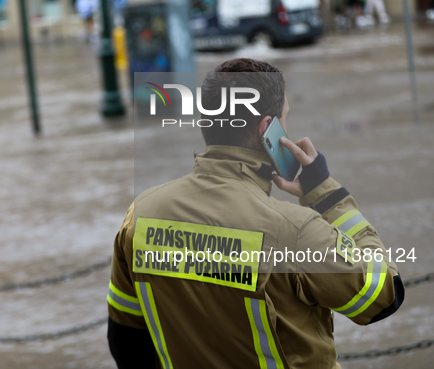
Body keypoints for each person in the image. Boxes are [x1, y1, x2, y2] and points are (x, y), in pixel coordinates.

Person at [107, 58, 405, 368]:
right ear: (268, 129)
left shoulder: (140, 215)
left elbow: (126, 342)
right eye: (284, 119)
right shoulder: (295, 231)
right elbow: (383, 296)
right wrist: (326, 194)